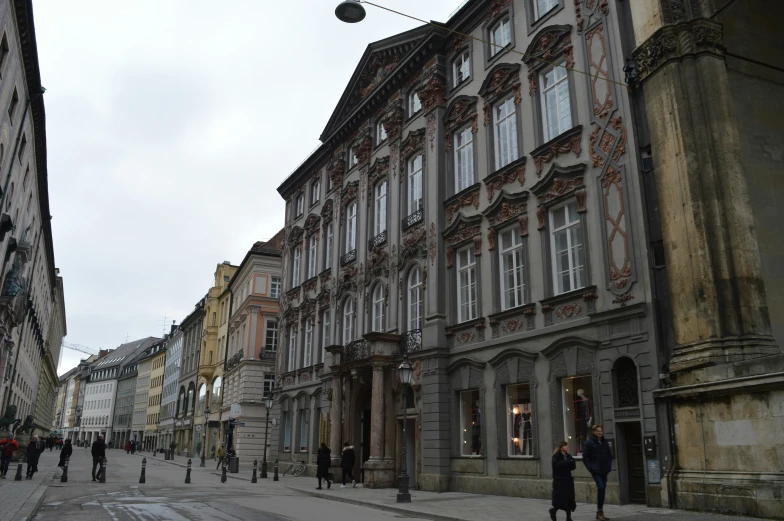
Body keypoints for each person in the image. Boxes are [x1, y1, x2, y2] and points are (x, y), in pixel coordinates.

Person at [582, 424, 613, 521]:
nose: (599, 432)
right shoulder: (589, 443)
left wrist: (608, 467)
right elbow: (584, 457)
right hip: (595, 470)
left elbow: (609, 455)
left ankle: (600, 511)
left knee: (602, 490)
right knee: (601, 487)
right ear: (593, 432)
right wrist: (590, 468)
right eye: (597, 431)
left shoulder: (604, 442)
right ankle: (600, 512)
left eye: (601, 431)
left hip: (604, 470)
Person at [550, 441, 576, 521]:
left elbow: (573, 466)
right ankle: (553, 511)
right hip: (559, 482)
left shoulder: (568, 456)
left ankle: (568, 517)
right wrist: (567, 462)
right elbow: (556, 465)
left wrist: (571, 462)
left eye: (567, 445)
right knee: (560, 500)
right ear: (561, 447)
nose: (567, 447)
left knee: (569, 499)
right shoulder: (556, 456)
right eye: (565, 446)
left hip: (568, 481)